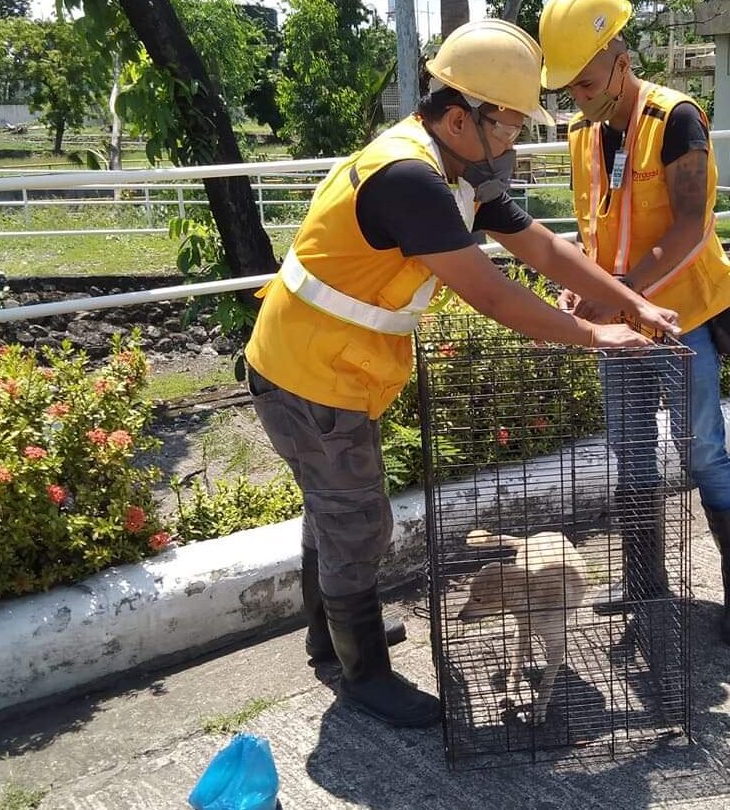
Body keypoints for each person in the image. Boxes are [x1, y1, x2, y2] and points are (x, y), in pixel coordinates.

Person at [242, 18, 680, 730]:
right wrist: (595, 334)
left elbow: (533, 243)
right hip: (309, 376)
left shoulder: (451, 167)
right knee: (357, 524)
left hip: (318, 367)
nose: (511, 143)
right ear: (458, 117)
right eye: (506, 128)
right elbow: (493, 293)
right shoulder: (411, 179)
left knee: (335, 509)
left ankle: (332, 637)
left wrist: (630, 301)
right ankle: (364, 675)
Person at [539, 0, 730, 647]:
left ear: (622, 64)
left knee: (702, 452)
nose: (579, 99)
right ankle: (645, 581)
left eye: (586, 82)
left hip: (682, 318)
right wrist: (580, 284)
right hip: (621, 325)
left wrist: (623, 296)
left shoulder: (675, 121)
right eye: (569, 88)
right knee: (631, 455)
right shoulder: (583, 135)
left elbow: (691, 225)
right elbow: (597, 230)